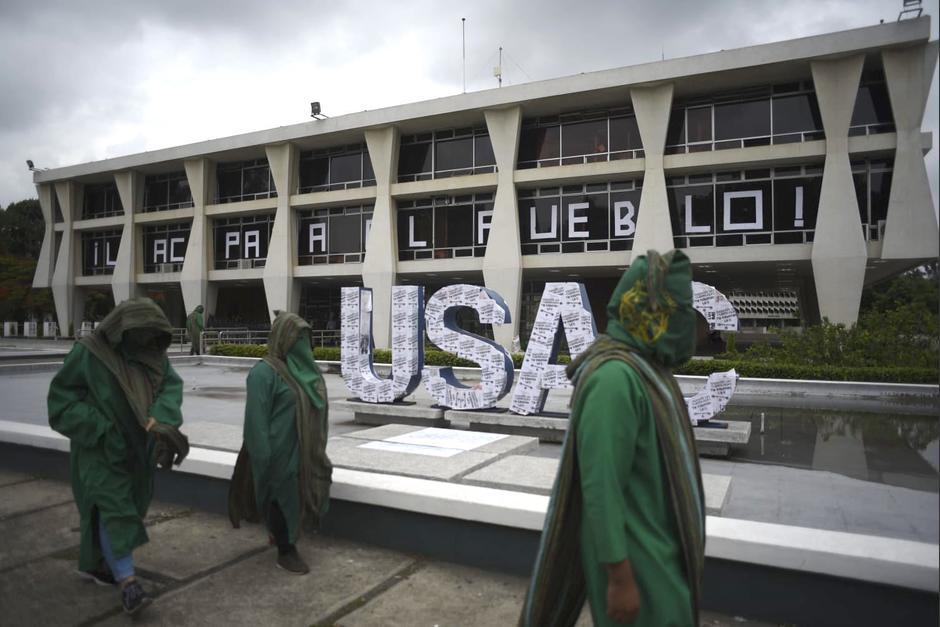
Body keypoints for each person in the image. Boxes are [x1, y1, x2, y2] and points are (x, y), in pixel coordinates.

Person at [520, 250, 705, 627]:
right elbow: (600, 488)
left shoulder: (647, 370)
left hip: (660, 552)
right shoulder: (614, 380)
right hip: (637, 564)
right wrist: (620, 578)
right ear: (656, 314)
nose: (692, 326)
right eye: (682, 311)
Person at [48, 298, 189, 616]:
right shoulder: (90, 353)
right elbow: (61, 402)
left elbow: (170, 386)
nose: (147, 339)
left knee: (127, 509)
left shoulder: (153, 355)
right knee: (117, 512)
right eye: (142, 331)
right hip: (99, 450)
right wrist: (100, 427)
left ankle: (97, 566)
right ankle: (129, 584)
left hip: (139, 452)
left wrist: (162, 416)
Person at [228, 311, 332, 574]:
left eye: (306, 339)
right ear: (284, 339)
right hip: (276, 453)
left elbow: (315, 401)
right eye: (299, 338)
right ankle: (286, 550)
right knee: (282, 498)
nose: (304, 345)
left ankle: (282, 536)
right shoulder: (264, 373)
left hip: (302, 451)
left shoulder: (299, 370)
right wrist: (264, 460)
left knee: (303, 493)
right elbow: (256, 421)